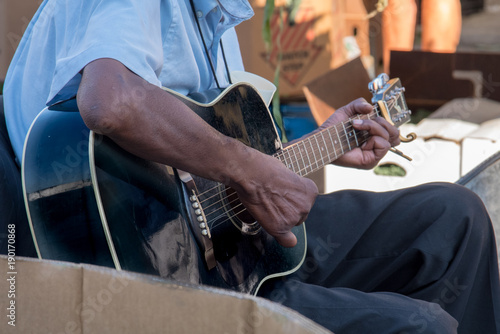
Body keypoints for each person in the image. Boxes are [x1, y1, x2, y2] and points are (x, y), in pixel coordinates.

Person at [1, 1, 499, 333]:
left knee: (454, 220)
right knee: (423, 325)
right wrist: (252, 171)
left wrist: (322, 145)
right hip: (163, 277)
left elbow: (213, 169)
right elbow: (110, 101)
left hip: (239, 249)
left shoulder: (216, 20)